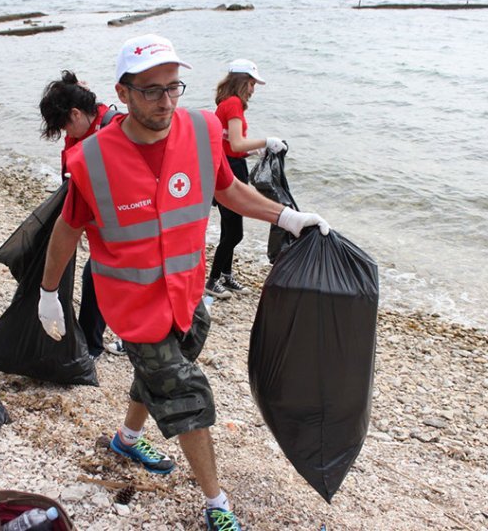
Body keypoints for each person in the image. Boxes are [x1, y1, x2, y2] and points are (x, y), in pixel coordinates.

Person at [37, 34, 329, 531]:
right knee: (186, 391)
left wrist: (287, 219)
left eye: (173, 87)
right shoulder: (91, 160)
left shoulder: (201, 130)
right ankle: (217, 505)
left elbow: (229, 189)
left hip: (188, 295)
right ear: (123, 92)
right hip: (133, 305)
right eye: (151, 90)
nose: (166, 101)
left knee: (161, 373)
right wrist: (48, 295)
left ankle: (126, 439)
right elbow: (67, 227)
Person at [38, 70, 125, 359]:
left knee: (100, 278)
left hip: (125, 229)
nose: (65, 133)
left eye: (64, 126)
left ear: (75, 114)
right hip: (98, 225)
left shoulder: (113, 128)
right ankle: (96, 341)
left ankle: (101, 344)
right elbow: (72, 178)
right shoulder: (80, 132)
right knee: (97, 278)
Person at [205, 58, 287, 299]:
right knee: (234, 233)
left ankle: (227, 276)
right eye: (251, 83)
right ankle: (212, 280)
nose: (253, 89)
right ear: (241, 81)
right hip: (230, 170)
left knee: (228, 227)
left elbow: (231, 143)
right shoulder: (233, 104)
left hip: (226, 163)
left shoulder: (225, 103)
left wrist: (253, 151)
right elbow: (238, 141)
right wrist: (267, 141)